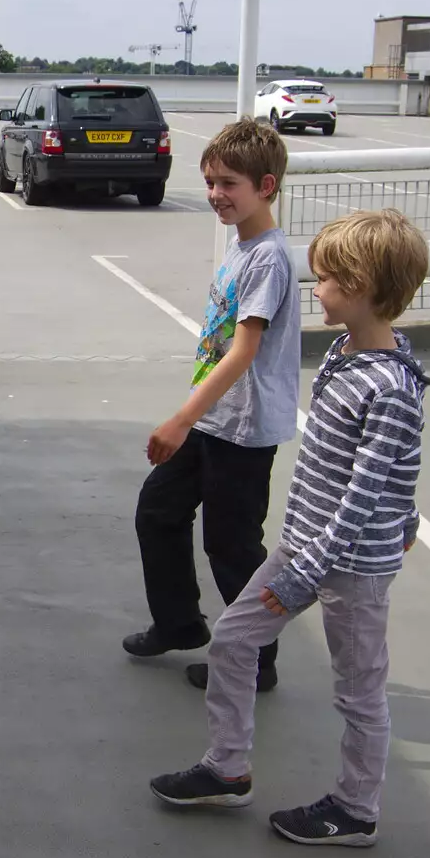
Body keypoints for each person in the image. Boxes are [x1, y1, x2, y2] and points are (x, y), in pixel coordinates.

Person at [149, 209, 430, 848]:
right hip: (305, 545)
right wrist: (402, 514)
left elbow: (364, 494)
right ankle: (228, 766)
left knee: (359, 693)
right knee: (233, 640)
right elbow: (388, 470)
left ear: (359, 287)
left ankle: (355, 810)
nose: (317, 289)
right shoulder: (346, 353)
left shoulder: (387, 384)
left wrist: (305, 575)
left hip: (348, 566)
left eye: (327, 280)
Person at [124, 118, 298, 693]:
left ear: (266, 186)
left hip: (242, 429)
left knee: (232, 546)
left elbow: (244, 350)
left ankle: (256, 660)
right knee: (159, 511)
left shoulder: (268, 258)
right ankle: (178, 623)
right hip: (214, 417)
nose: (216, 194)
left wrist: (180, 419)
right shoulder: (242, 246)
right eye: (210, 182)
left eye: (229, 183)